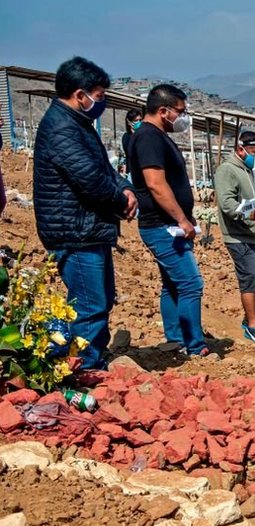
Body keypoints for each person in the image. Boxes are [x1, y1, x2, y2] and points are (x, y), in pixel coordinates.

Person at [32, 56, 138, 369]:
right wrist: (121, 201)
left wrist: (126, 188)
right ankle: (83, 366)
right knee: (90, 303)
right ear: (81, 95)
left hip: (87, 228)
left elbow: (103, 169)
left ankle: (91, 357)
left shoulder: (77, 125)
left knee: (99, 298)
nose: (101, 102)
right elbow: (90, 179)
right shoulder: (62, 129)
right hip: (74, 231)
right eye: (100, 95)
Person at [128, 84, 209, 357]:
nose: (184, 117)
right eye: (181, 112)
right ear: (163, 111)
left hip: (168, 224)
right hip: (163, 226)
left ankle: (176, 339)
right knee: (190, 284)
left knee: (173, 284)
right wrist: (181, 219)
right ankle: (194, 345)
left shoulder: (158, 136)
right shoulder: (149, 138)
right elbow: (156, 184)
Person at [213, 130, 255, 342]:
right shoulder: (227, 170)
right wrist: (248, 214)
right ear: (240, 149)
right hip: (238, 234)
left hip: (253, 233)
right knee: (250, 276)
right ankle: (252, 323)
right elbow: (227, 204)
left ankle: (253, 317)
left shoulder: (252, 170)